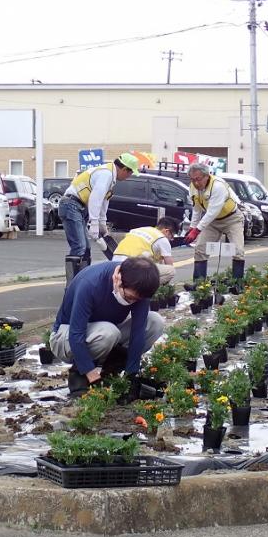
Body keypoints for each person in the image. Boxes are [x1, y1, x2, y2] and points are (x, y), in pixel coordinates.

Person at [49, 257, 163, 397]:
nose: (132, 302)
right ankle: (78, 373)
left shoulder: (139, 287)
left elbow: (138, 332)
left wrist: (131, 375)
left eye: (137, 300)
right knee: (109, 332)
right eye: (129, 297)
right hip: (65, 338)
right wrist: (91, 374)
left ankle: (112, 368)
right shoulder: (91, 284)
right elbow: (76, 333)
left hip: (102, 335)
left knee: (155, 322)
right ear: (118, 278)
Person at [59, 153, 139, 284]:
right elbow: (96, 198)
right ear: (124, 169)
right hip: (71, 205)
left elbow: (103, 201)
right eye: (130, 173)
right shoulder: (106, 174)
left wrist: (102, 223)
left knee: (85, 249)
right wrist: (94, 222)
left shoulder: (109, 175)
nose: (129, 177)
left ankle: (82, 282)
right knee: (79, 247)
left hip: (78, 207)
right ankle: (73, 286)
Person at [183, 163, 246, 282]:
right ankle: (199, 285)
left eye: (198, 179)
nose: (196, 183)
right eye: (192, 179)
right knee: (200, 248)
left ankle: (238, 284)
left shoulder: (218, 186)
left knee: (238, 250)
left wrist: (197, 230)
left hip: (232, 219)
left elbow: (212, 211)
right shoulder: (192, 187)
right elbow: (196, 208)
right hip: (212, 223)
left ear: (207, 176)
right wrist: (192, 227)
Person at [112, 216, 179, 285]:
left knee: (152, 259)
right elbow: (169, 265)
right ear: (167, 231)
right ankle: (142, 289)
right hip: (131, 268)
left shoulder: (139, 230)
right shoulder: (162, 238)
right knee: (171, 271)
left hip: (115, 264)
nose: (172, 239)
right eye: (172, 236)